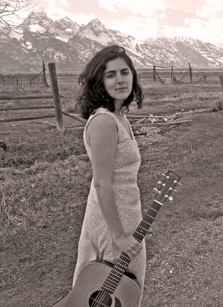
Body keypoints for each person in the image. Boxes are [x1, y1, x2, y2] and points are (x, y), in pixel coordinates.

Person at [73, 45, 146, 305]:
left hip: (126, 213)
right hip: (111, 223)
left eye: (125, 72)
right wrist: (118, 236)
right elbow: (102, 184)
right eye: (111, 74)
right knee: (109, 295)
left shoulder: (119, 116)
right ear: (99, 82)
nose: (120, 79)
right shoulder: (104, 122)